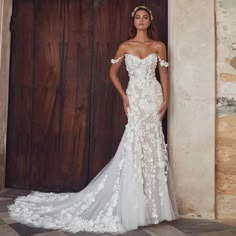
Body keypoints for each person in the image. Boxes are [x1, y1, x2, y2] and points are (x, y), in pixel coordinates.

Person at [8, 5, 178, 234]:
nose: (141, 20)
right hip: (136, 98)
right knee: (134, 145)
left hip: (153, 98)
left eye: (144, 17)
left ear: (150, 21)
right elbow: (112, 73)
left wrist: (166, 100)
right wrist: (124, 97)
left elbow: (164, 74)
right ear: (133, 21)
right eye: (137, 17)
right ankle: (133, 205)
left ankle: (151, 207)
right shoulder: (124, 46)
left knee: (152, 146)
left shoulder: (159, 46)